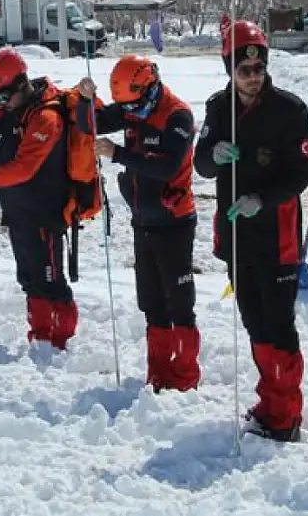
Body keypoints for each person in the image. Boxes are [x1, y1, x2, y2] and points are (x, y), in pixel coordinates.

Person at [193, 16, 308, 442]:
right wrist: (213, 154)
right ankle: (270, 399)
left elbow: (302, 173)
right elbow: (200, 163)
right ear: (230, 69)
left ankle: (287, 414)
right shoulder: (217, 108)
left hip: (276, 236)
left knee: (279, 325)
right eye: (244, 70)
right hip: (235, 236)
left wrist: (262, 199)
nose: (252, 77)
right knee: (254, 322)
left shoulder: (290, 109)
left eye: (259, 68)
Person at [0, 47, 80, 349]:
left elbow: (24, 168)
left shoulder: (46, 117)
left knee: (52, 280)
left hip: (44, 214)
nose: (0, 104)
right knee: (29, 277)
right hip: (19, 212)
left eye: (2, 97)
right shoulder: (18, 110)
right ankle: (39, 334)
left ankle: (61, 339)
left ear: (22, 84)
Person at [91, 54, 200, 392]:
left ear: (150, 86)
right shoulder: (131, 105)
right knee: (151, 302)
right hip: (143, 220)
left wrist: (119, 154)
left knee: (179, 302)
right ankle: (158, 374)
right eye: (126, 106)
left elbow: (168, 167)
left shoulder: (177, 114)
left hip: (175, 221)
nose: (131, 112)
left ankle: (184, 377)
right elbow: (90, 121)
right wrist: (82, 98)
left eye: (135, 104)